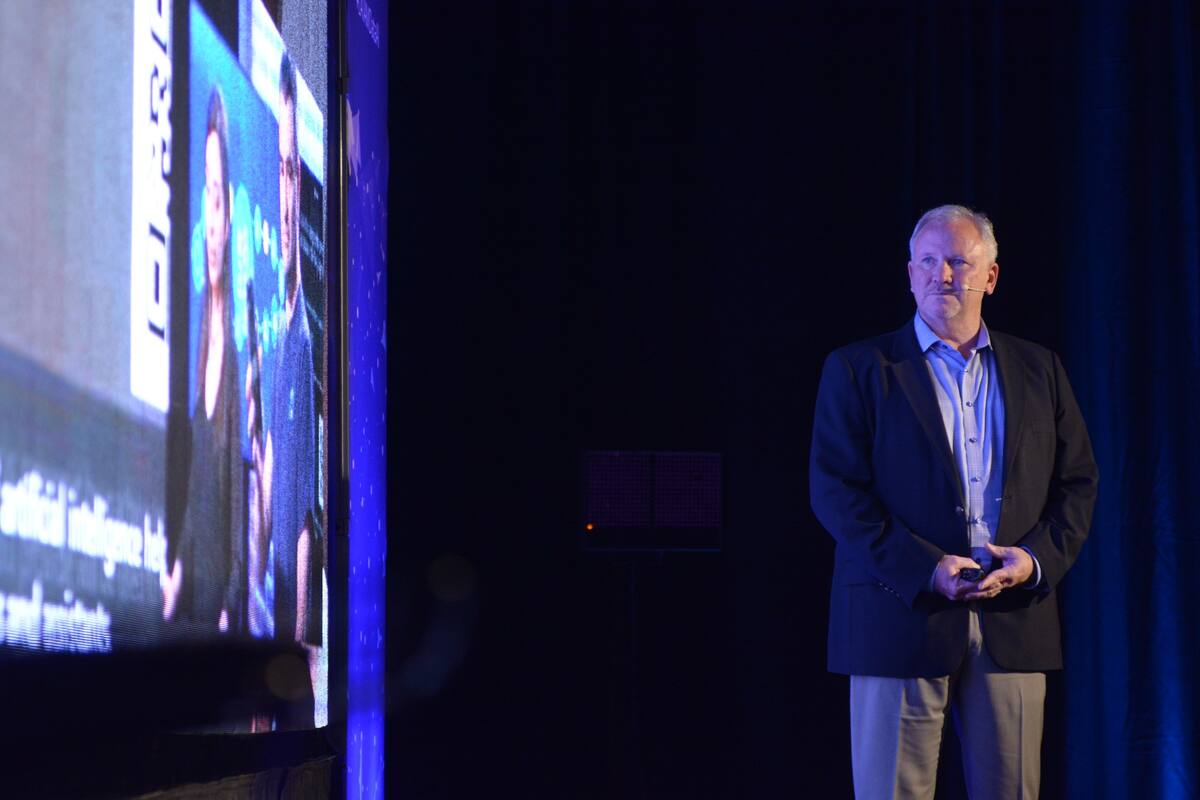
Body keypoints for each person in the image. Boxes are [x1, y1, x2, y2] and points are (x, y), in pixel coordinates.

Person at [809, 204, 1098, 799]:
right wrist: (925, 569)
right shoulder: (860, 369)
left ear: (990, 277)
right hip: (898, 618)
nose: (944, 275)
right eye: (929, 261)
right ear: (910, 273)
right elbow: (835, 492)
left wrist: (1033, 561)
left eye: (960, 261)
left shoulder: (1040, 369)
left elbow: (1077, 483)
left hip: (1013, 621)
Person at [162, 86, 245, 632]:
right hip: (191, 603)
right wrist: (173, 572)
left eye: (219, 198)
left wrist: (226, 608)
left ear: (231, 213)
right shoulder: (197, 329)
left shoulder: (237, 360)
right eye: (205, 193)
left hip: (220, 621)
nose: (210, 221)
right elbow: (197, 493)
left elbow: (237, 515)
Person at [246, 51, 319, 655]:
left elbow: (302, 524)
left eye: (295, 170)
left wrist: (296, 648)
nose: (289, 190)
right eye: (280, 170)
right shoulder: (255, 317)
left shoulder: (305, 338)